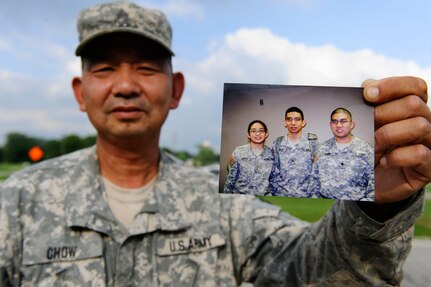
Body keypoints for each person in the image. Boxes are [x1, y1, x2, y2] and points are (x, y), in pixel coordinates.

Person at [0, 1, 430, 286]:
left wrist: (377, 204)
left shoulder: (223, 204)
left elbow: (312, 270)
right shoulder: (17, 203)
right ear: (80, 91)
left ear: (176, 90)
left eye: (147, 68)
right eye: (105, 69)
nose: (126, 85)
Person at [309, 108, 374, 201]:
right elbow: (314, 181)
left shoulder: (366, 149)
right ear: (331, 125)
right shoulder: (321, 149)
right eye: (334, 122)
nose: (338, 125)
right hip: (325, 204)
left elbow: (374, 184)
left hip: (355, 206)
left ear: (352, 124)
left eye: (343, 121)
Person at [270, 107, 318, 197]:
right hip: (282, 195)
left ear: (303, 123)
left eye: (297, 119)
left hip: (306, 196)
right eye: (289, 119)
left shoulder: (312, 142)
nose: (293, 123)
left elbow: (316, 172)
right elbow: (273, 172)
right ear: (285, 123)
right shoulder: (277, 143)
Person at [223, 120, 274, 195]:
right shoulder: (238, 152)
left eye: (261, 131)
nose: (257, 134)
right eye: (253, 131)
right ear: (248, 135)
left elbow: (274, 182)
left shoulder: (272, 155)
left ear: (266, 134)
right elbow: (230, 179)